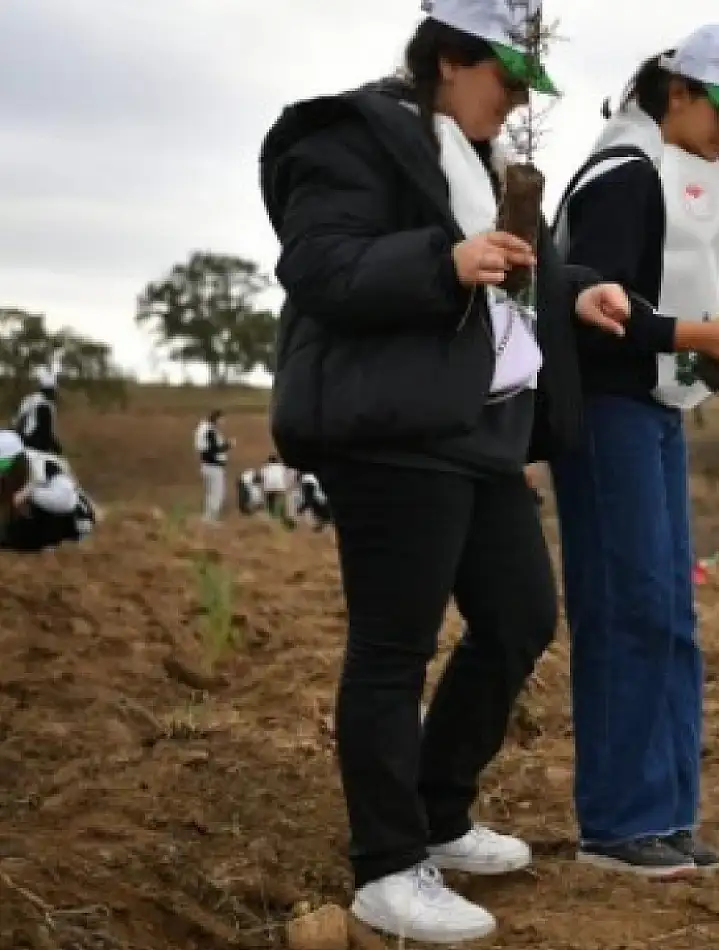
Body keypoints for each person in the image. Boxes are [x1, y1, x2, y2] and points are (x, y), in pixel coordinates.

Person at [259, 0, 635, 941]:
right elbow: (318, 265)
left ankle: (438, 812)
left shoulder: (483, 161)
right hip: (388, 429)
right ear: (454, 58)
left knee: (518, 619)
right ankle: (387, 867)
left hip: (478, 434)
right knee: (393, 649)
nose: (513, 102)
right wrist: (444, 259)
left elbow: (512, 269)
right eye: (506, 79)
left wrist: (574, 286)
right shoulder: (353, 134)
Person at [546, 22, 719, 879]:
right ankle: (617, 824)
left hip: (652, 412)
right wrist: (694, 333)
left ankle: (669, 815)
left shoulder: (682, 177)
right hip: (607, 413)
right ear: (676, 93)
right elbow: (595, 315)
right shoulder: (623, 179)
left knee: (673, 618)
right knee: (627, 610)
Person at [0, 430, 97, 551]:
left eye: (2, 465)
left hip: (73, 518)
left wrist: (28, 493)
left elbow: (66, 502)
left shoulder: (44, 466)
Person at [13, 366, 61, 454]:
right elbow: (48, 430)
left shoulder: (29, 399)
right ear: (49, 391)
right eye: (53, 391)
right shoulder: (49, 405)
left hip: (27, 440)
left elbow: (17, 420)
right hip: (38, 443)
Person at [195, 409, 232, 523]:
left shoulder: (204, 429)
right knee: (217, 493)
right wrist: (228, 445)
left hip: (207, 465)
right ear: (217, 419)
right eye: (222, 419)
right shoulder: (209, 431)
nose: (223, 422)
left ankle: (207, 518)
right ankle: (211, 519)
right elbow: (213, 450)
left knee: (211, 493)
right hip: (213, 466)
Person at [259, 455, 294, 528]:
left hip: (269, 491)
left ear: (269, 461)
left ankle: (273, 521)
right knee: (283, 510)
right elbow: (290, 476)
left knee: (271, 509)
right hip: (280, 490)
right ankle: (284, 522)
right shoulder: (283, 467)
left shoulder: (265, 469)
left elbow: (260, 479)